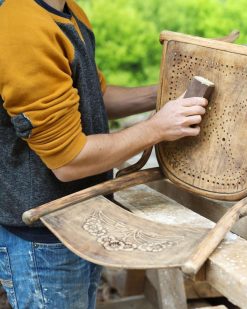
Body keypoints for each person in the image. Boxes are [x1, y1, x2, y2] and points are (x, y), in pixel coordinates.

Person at [0, 0, 207, 308]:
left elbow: (97, 97)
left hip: (81, 220)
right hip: (43, 238)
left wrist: (164, 96)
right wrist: (157, 128)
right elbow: (68, 161)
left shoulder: (70, 13)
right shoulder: (20, 26)